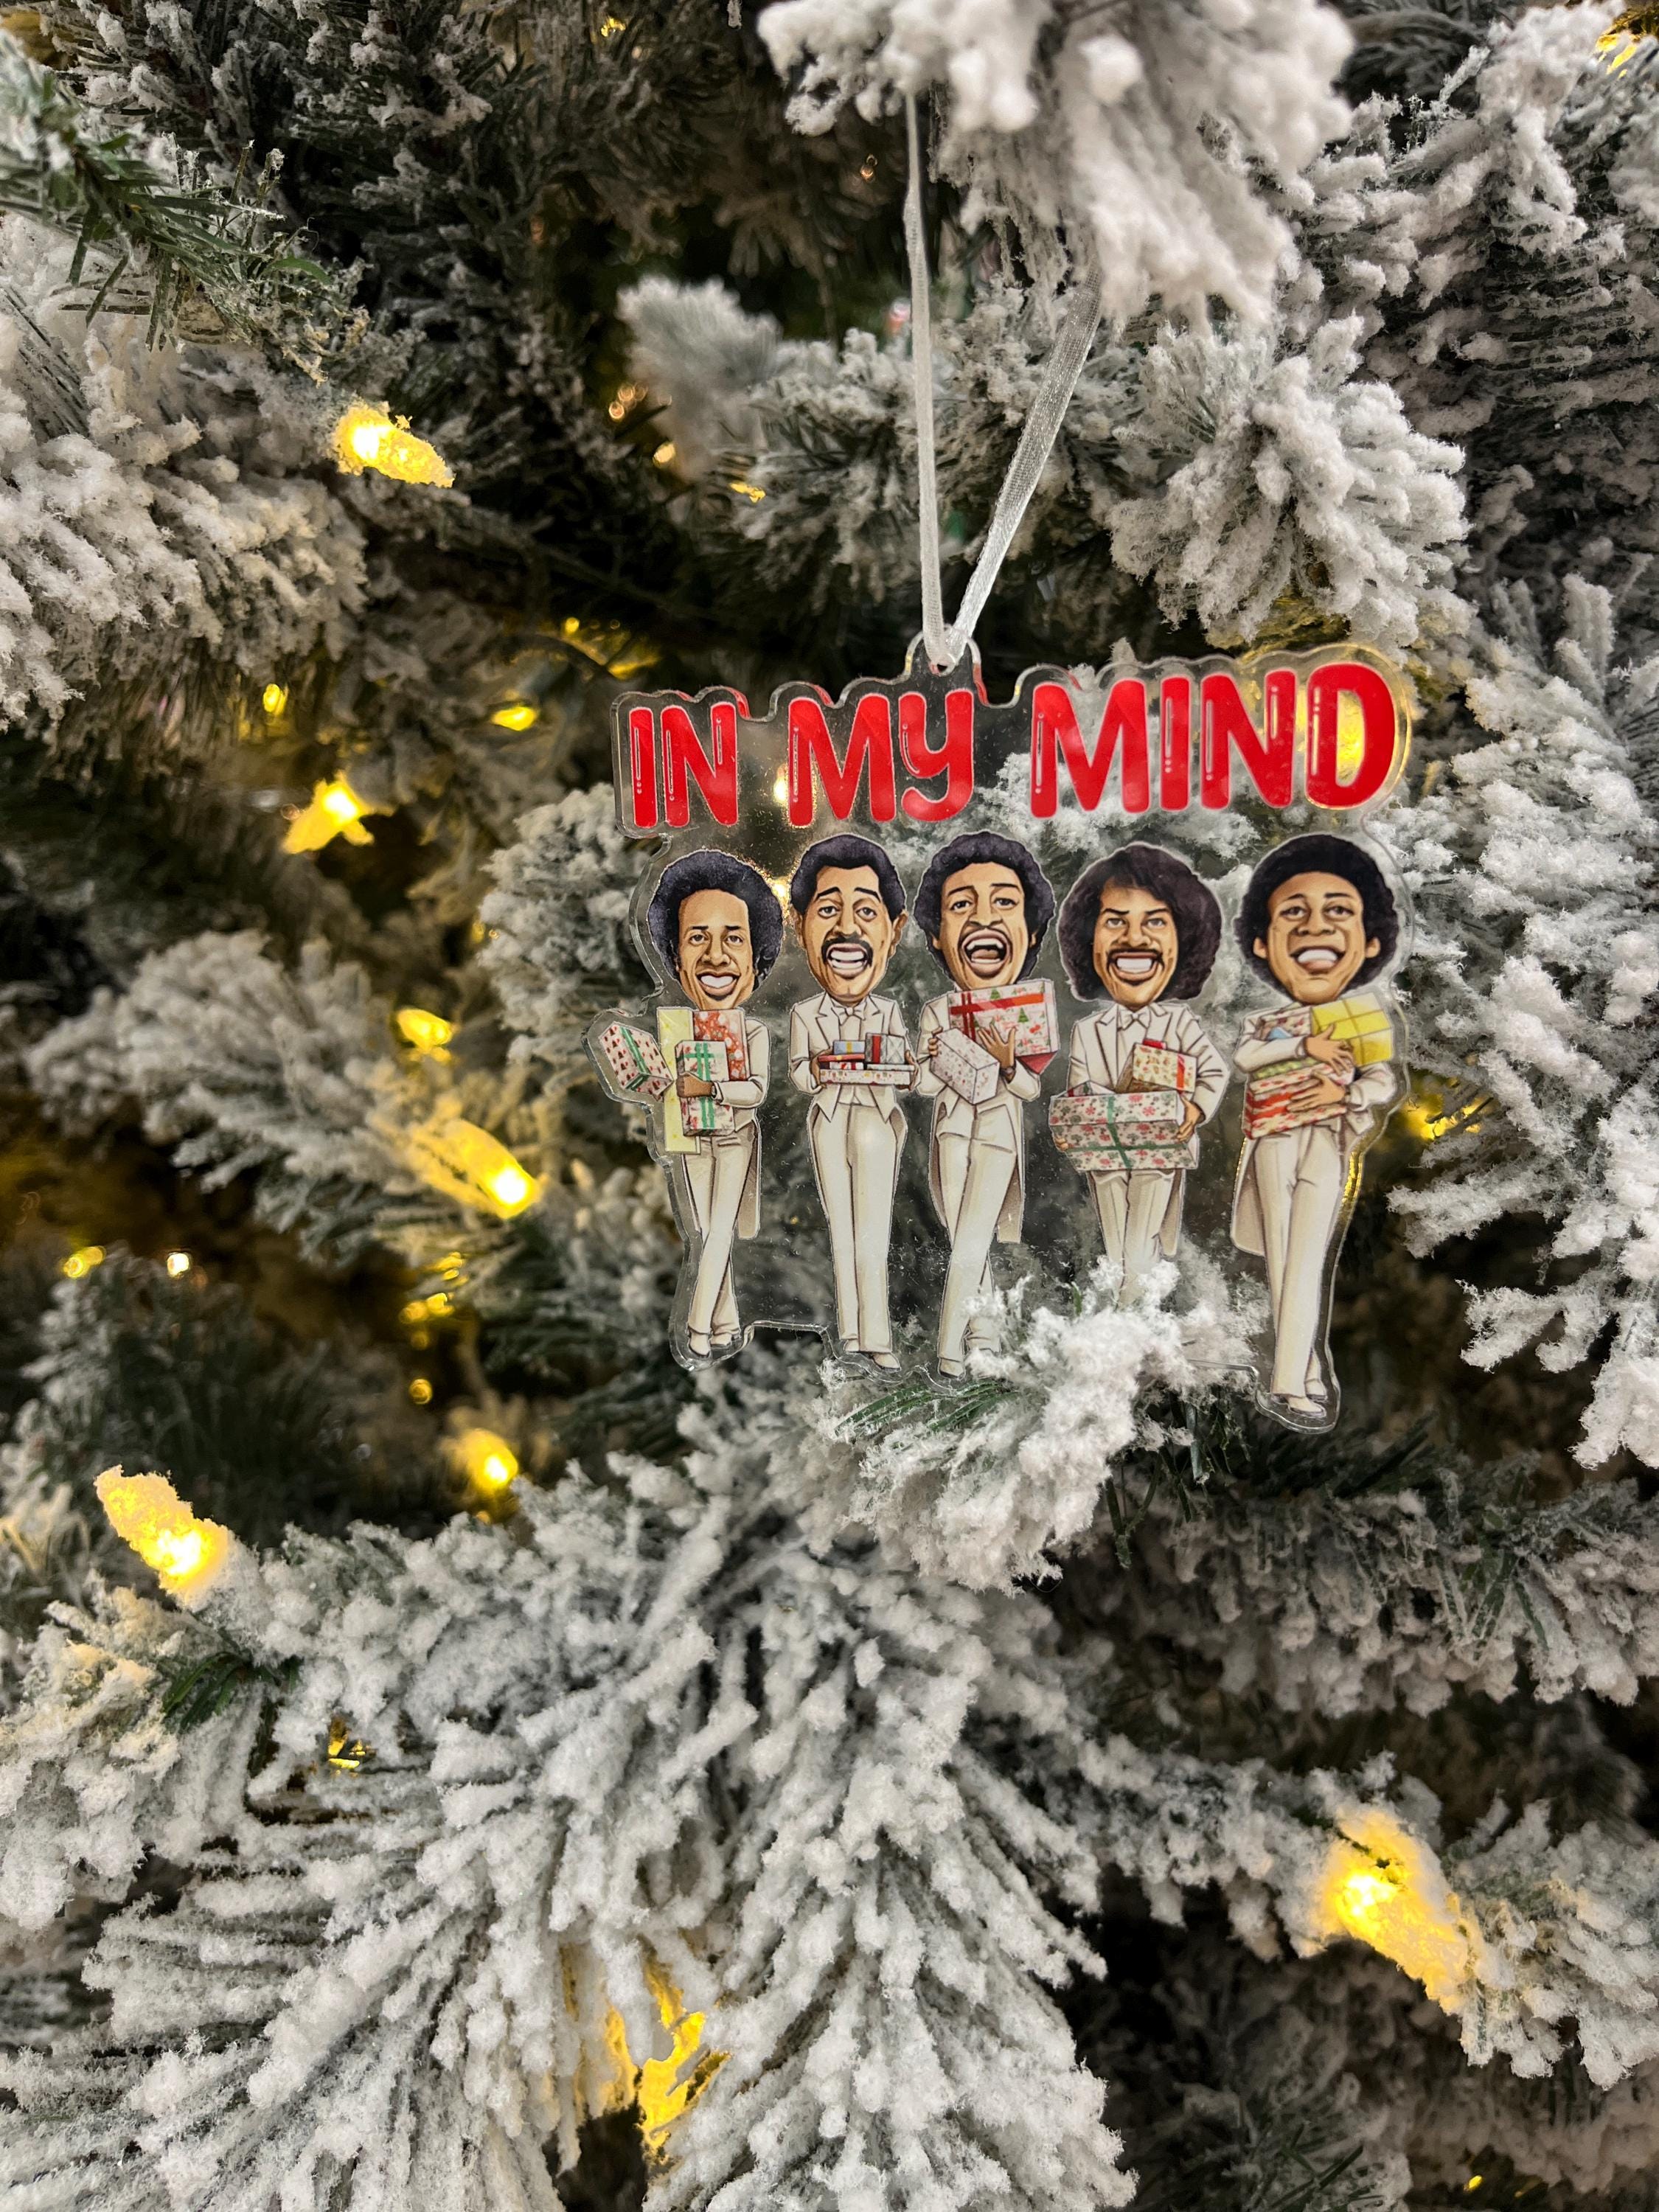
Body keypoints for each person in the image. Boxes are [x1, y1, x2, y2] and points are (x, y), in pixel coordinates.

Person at [1231, 832, 1403, 1422]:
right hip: (1273, 1137)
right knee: (1283, 1258)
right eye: (1293, 912)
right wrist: (1303, 1044)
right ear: (1262, 943)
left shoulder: (1366, 1015)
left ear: (1371, 941)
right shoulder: (1267, 1021)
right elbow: (1247, 1058)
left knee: (1304, 1260)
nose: (1315, 926)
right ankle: (1294, 1378)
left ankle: (1298, 1373)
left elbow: (1382, 1080)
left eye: (1339, 911)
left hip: (1327, 1142)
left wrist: (1346, 1093)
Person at [1056, 843, 1227, 1300]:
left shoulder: (1180, 1023)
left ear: (1184, 939)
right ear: (1088, 941)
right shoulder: (1088, 1031)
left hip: (1160, 1150)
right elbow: (1078, 1093)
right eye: (1115, 921)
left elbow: (1212, 1071)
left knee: (1142, 1238)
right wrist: (1078, 1119)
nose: (1134, 938)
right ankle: (1123, 1302)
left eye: (1155, 921)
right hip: (1104, 1156)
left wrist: (1195, 1108)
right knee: (1115, 1239)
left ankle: (1136, 1304)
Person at [912, 831, 1055, 1375]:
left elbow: (1030, 1089)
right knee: (962, 1235)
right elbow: (925, 1086)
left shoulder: (1027, 1012)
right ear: (937, 936)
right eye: (961, 905)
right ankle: (985, 1336)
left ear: (1032, 931)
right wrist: (934, 1057)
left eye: (1005, 902)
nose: (983, 918)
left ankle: (949, 1352)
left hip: (997, 1134)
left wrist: (1007, 1063)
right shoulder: (938, 1010)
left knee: (971, 1240)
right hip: (950, 1132)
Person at [644, 849, 780, 1360]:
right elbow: (661, 1086)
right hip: (691, 1140)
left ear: (756, 962)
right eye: (698, 937)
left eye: (734, 938)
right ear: (676, 959)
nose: (717, 956)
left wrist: (714, 1089)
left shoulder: (754, 1032)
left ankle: (699, 1326)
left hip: (734, 1140)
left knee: (721, 1228)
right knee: (703, 1232)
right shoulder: (676, 1030)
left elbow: (757, 1090)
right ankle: (727, 1321)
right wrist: (651, 1076)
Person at [787, 833, 911, 1369]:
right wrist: (817, 1069)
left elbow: (906, 1068)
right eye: (827, 909)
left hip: (877, 1121)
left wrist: (906, 1066)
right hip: (829, 1121)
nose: (847, 928)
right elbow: (799, 1073)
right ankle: (851, 1330)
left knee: (874, 1231)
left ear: (894, 931)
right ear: (800, 927)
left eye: (866, 910)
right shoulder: (805, 1014)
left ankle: (878, 1335)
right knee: (842, 1230)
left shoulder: (888, 1012)